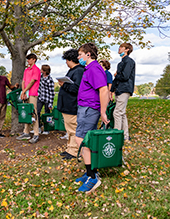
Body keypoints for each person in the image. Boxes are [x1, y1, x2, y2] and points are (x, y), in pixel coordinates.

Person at [74, 43, 109, 193]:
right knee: (86, 140)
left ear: (88, 54)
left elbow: (104, 90)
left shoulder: (94, 68)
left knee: (82, 140)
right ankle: (91, 170)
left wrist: (103, 112)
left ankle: (92, 176)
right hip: (85, 108)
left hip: (89, 109)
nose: (78, 57)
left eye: (80, 54)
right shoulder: (89, 68)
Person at [57, 49, 84, 160]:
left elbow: (77, 88)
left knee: (73, 129)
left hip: (72, 105)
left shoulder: (78, 71)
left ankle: (74, 151)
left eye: (66, 60)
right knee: (69, 130)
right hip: (67, 106)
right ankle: (69, 148)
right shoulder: (73, 70)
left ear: (70, 59)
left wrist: (64, 85)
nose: (66, 63)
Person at [110, 43, 136, 140]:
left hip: (125, 89)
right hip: (119, 89)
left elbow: (125, 76)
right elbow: (117, 79)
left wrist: (117, 75)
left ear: (127, 49)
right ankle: (125, 136)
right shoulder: (121, 63)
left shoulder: (129, 62)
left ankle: (116, 136)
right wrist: (111, 90)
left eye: (121, 47)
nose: (119, 48)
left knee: (117, 112)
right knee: (122, 113)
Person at [16, 53, 41, 144]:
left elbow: (32, 82)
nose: (28, 61)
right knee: (26, 113)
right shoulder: (26, 70)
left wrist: (24, 91)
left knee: (33, 113)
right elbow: (23, 81)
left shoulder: (36, 70)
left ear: (34, 59)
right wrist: (23, 92)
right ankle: (26, 133)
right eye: (27, 59)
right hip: (26, 94)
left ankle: (36, 134)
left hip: (33, 94)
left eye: (29, 59)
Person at [36, 64, 55, 135]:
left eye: (41, 69)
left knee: (47, 114)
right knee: (37, 112)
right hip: (40, 98)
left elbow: (52, 93)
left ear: (44, 71)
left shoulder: (50, 80)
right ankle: (38, 126)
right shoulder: (40, 77)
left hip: (47, 99)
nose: (40, 70)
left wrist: (50, 103)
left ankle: (47, 128)